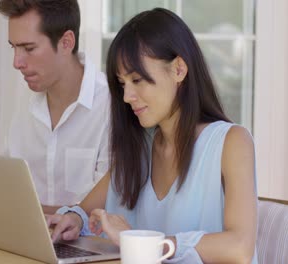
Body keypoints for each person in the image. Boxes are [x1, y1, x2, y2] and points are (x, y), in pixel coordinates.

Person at [47, 8, 258, 263]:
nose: (127, 97)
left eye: (138, 80)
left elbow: (239, 248)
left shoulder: (232, 142)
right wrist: (74, 218)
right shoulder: (139, 146)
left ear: (179, 69)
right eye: (123, 84)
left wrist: (143, 243)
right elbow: (85, 210)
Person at [0, 0, 110, 225]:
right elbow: (5, 185)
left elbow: (101, 210)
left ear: (66, 42)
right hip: (25, 243)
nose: (17, 62)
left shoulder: (112, 107)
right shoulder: (26, 105)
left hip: (92, 254)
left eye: (29, 48)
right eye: (13, 47)